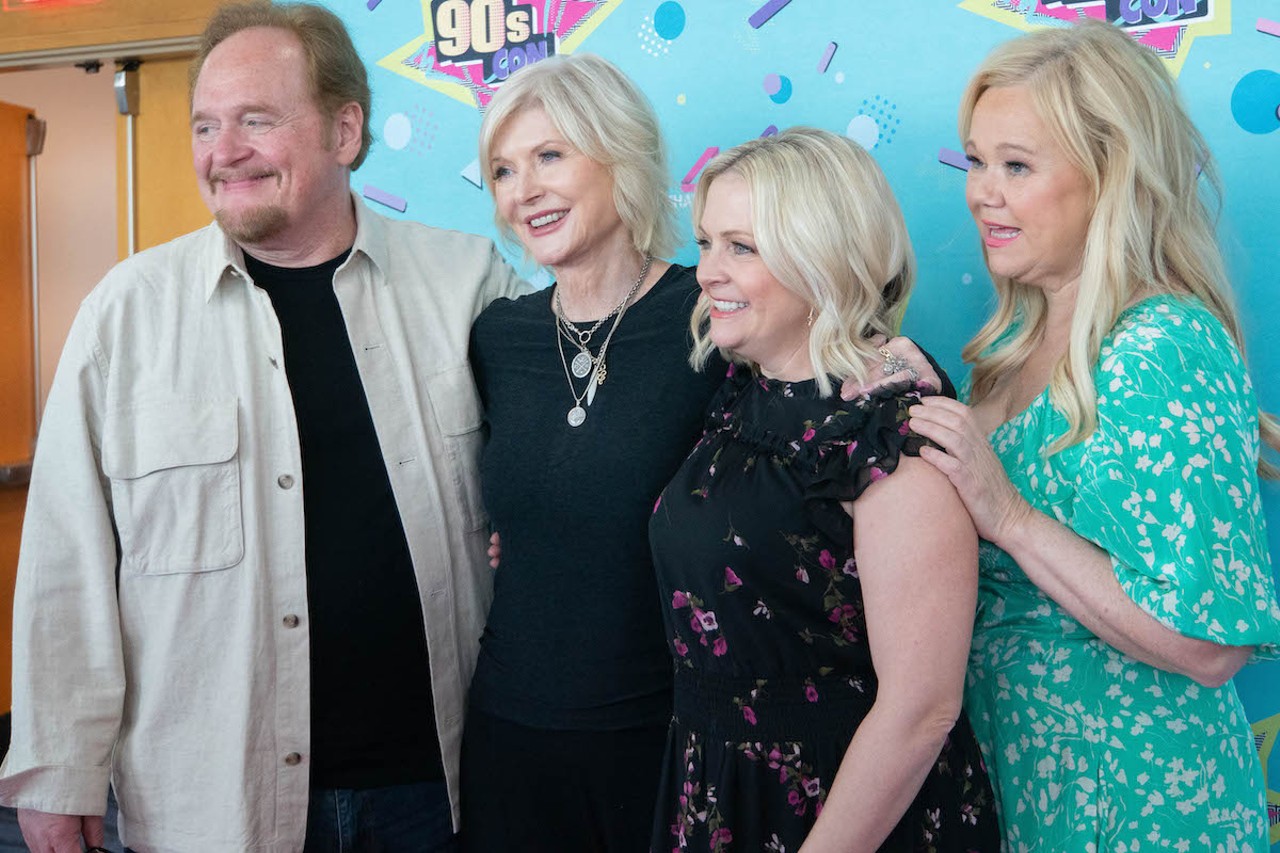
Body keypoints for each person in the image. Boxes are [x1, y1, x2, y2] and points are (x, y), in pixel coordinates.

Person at [0, 3, 526, 851]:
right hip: (210, 802)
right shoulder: (125, 316)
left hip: (442, 791)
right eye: (206, 124)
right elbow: (67, 563)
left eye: (256, 120)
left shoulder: (471, 285)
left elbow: (569, 469)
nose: (224, 151)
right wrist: (57, 774)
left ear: (345, 130)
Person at [902, 20, 1280, 848]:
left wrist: (1009, 515)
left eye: (1016, 166)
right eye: (976, 161)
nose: (980, 191)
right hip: (1026, 791)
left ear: (1111, 177)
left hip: (1143, 808)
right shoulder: (1002, 352)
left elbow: (1210, 642)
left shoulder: (1161, 345)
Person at [647, 127, 999, 851]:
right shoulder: (742, 391)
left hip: (847, 816)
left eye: (742, 246)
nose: (708, 270)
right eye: (708, 241)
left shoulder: (894, 435)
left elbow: (922, 708)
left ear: (822, 260)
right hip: (719, 787)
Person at [461, 52, 725, 851]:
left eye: (550, 156)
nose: (523, 191)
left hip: (659, 739)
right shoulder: (497, 338)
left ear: (621, 154)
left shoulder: (711, 314)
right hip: (508, 737)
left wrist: (892, 366)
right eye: (504, 170)